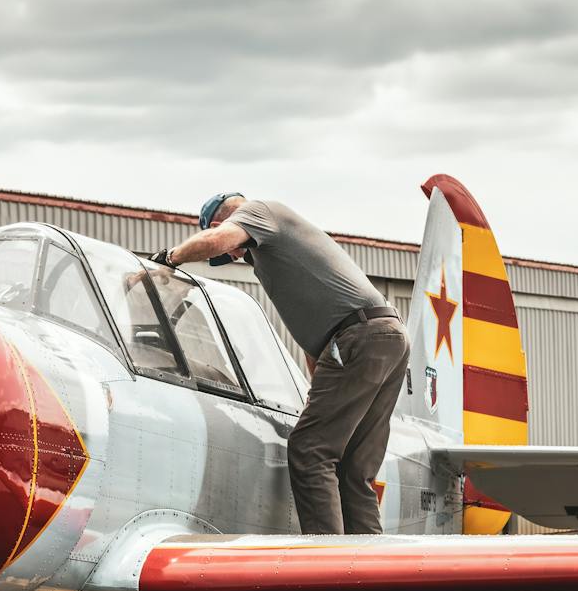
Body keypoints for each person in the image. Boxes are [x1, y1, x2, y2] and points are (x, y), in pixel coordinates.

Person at [155, 194, 410, 535]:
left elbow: (218, 241)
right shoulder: (280, 254)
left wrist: (170, 259)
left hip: (358, 338)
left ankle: (327, 568)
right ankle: (367, 577)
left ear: (222, 223)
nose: (234, 257)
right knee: (354, 469)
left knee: (310, 450)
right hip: (384, 337)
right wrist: (317, 392)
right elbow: (314, 339)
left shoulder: (260, 212)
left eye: (231, 255)